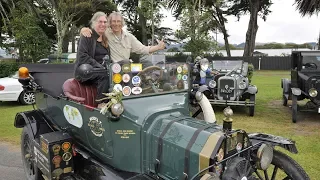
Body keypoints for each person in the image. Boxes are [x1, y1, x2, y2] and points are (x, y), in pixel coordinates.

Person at [80, 11, 166, 62]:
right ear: (110, 23)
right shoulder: (106, 32)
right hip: (113, 69)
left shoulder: (129, 37)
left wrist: (158, 47)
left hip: (126, 68)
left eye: (118, 21)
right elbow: (95, 29)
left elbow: (143, 49)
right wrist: (83, 29)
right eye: (113, 21)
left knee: (146, 62)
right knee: (125, 62)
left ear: (122, 23)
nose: (116, 24)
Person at [74, 11, 110, 109]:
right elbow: (83, 57)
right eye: (100, 22)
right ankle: (101, 104)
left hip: (102, 70)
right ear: (94, 23)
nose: (103, 24)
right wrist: (101, 67)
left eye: (105, 22)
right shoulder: (87, 36)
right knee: (106, 74)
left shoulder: (105, 39)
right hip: (85, 71)